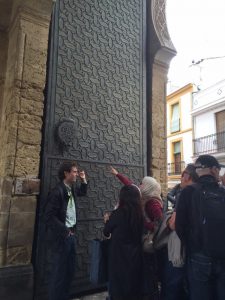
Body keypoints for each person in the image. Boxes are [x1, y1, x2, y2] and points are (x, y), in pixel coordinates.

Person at [176, 155, 225, 300]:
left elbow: (180, 226)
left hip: (199, 255)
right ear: (214, 170)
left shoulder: (188, 192)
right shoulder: (223, 192)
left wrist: (192, 245)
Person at [110, 167, 163, 299]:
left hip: (148, 245)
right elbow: (131, 186)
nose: (140, 185)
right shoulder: (143, 197)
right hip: (142, 243)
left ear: (148, 187)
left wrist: (143, 222)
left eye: (142, 183)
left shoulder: (152, 203)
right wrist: (118, 175)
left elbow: (159, 224)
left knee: (149, 274)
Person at [44, 161, 88, 300]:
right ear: (66, 173)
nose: (76, 174)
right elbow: (48, 216)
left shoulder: (71, 188)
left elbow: (82, 192)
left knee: (69, 270)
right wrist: (65, 231)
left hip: (71, 235)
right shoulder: (57, 191)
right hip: (62, 236)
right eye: (74, 172)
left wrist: (83, 180)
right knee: (59, 272)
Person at [159, 164, 198, 300]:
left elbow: (174, 224)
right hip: (197, 250)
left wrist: (168, 224)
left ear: (187, 176)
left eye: (182, 176)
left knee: (173, 284)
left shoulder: (185, 194)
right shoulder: (203, 192)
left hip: (179, 249)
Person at [103, 184, 144, 300]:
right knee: (132, 286)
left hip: (118, 257)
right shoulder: (139, 214)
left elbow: (106, 232)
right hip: (135, 256)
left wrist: (107, 221)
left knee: (118, 288)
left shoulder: (118, 213)